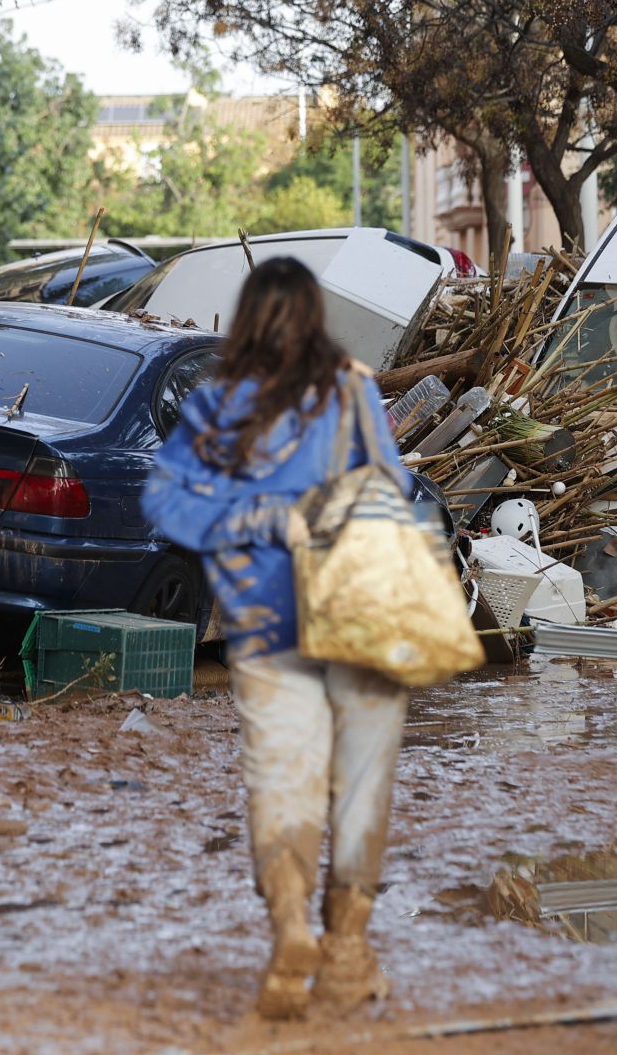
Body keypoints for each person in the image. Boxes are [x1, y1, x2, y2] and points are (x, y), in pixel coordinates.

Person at [143, 257, 412, 1020]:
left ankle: (292, 930)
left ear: (251, 319)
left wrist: (248, 522)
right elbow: (390, 489)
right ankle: (348, 955)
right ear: (317, 317)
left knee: (282, 782)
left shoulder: (218, 408)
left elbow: (165, 503)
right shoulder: (354, 390)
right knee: (359, 787)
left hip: (262, 633)